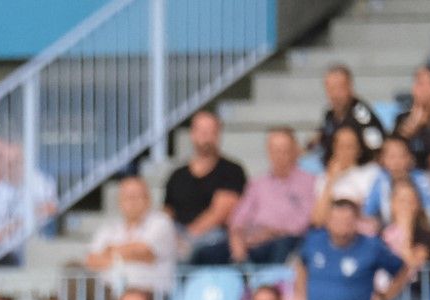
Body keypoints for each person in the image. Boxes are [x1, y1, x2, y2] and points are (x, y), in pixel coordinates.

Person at [165, 110, 247, 266]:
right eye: (202, 131)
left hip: (213, 235)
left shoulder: (232, 170)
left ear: (218, 134)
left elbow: (220, 213)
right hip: (179, 235)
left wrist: (187, 238)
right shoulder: (177, 175)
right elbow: (168, 210)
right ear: (192, 134)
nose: (206, 137)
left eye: (211, 131)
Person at [228, 128, 314, 264]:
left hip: (288, 241)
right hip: (253, 240)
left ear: (295, 151)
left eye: (284, 150)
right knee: (208, 253)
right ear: (268, 152)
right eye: (275, 150)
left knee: (283, 246)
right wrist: (237, 238)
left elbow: (305, 221)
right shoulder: (257, 183)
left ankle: (271, 283)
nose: (279, 155)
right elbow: (238, 218)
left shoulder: (309, 182)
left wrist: (272, 232)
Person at [84, 176, 176, 297]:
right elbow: (91, 260)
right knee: (72, 268)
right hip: (111, 292)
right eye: (127, 197)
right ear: (119, 201)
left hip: (149, 294)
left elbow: (144, 252)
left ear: (148, 199)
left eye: (137, 196)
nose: (132, 201)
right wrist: (129, 253)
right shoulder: (109, 227)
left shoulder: (161, 222)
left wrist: (109, 251)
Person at [313, 63, 385, 161]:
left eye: (339, 88)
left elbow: (377, 151)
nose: (335, 94)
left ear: (350, 87)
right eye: (330, 89)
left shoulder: (362, 115)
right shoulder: (329, 114)